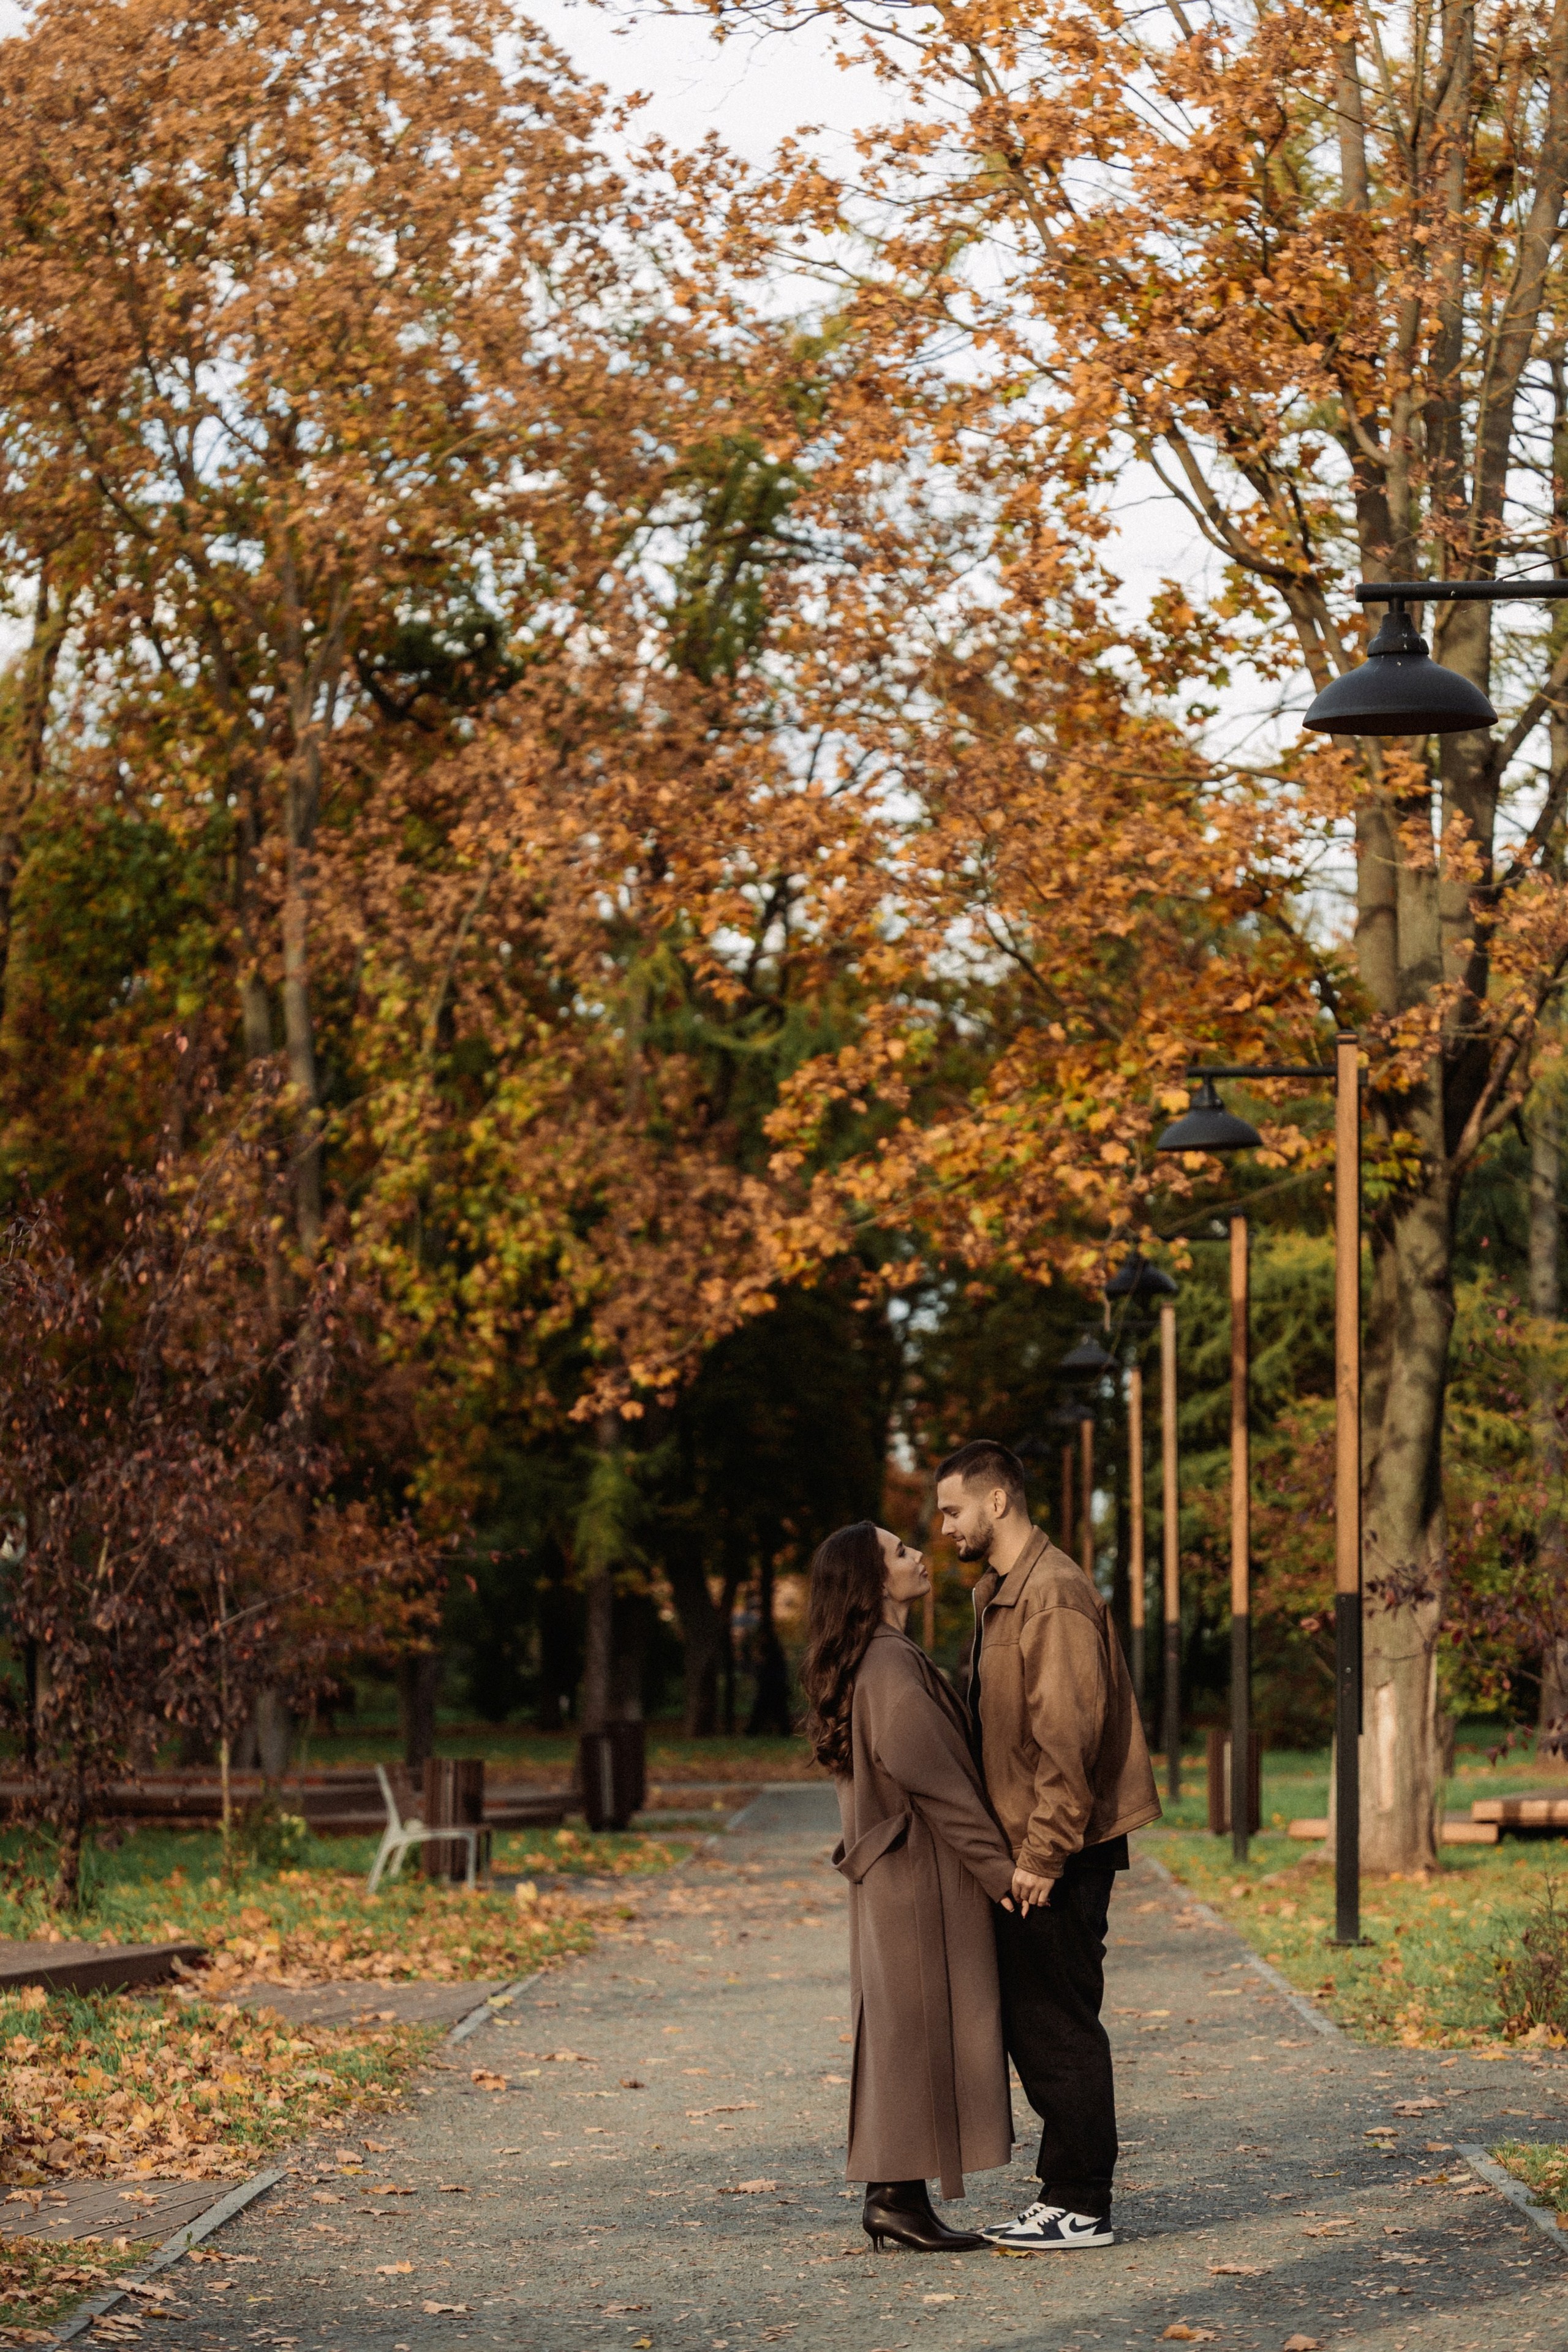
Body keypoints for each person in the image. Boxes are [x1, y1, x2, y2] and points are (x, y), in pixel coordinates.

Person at [934, 1438, 1161, 2253]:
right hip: (1035, 1844)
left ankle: (1081, 2203)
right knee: (1039, 2019)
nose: (944, 1524)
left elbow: (1067, 1739)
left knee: (1056, 2022)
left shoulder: (1053, 1595)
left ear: (998, 1502)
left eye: (952, 1508)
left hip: (1057, 1850)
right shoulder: (1003, 1593)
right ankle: (1065, 2193)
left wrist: (1041, 1855)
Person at [801, 1519, 1019, 2255]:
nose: (918, 1554)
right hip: (918, 1876)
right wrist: (1002, 1875)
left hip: (893, 1875)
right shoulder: (889, 1665)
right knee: (915, 2031)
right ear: (872, 1582)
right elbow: (939, 1784)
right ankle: (894, 2199)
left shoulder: (876, 1658)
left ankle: (895, 2197)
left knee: (901, 2034)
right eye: (899, 1552)